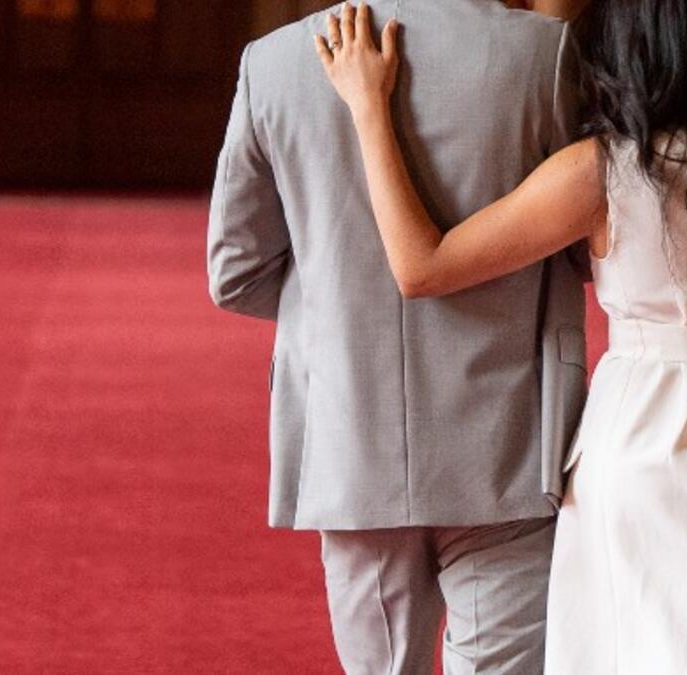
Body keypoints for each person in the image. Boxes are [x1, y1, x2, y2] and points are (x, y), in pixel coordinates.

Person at [315, 0, 687, 672]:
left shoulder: (610, 169)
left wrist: (367, 108)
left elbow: (423, 265)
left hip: (651, 443)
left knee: (644, 644)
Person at [207, 1, 590, 673]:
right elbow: (588, 248)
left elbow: (234, 273)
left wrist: (340, 303)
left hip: (354, 444)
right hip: (509, 444)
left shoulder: (274, 64)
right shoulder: (543, 56)